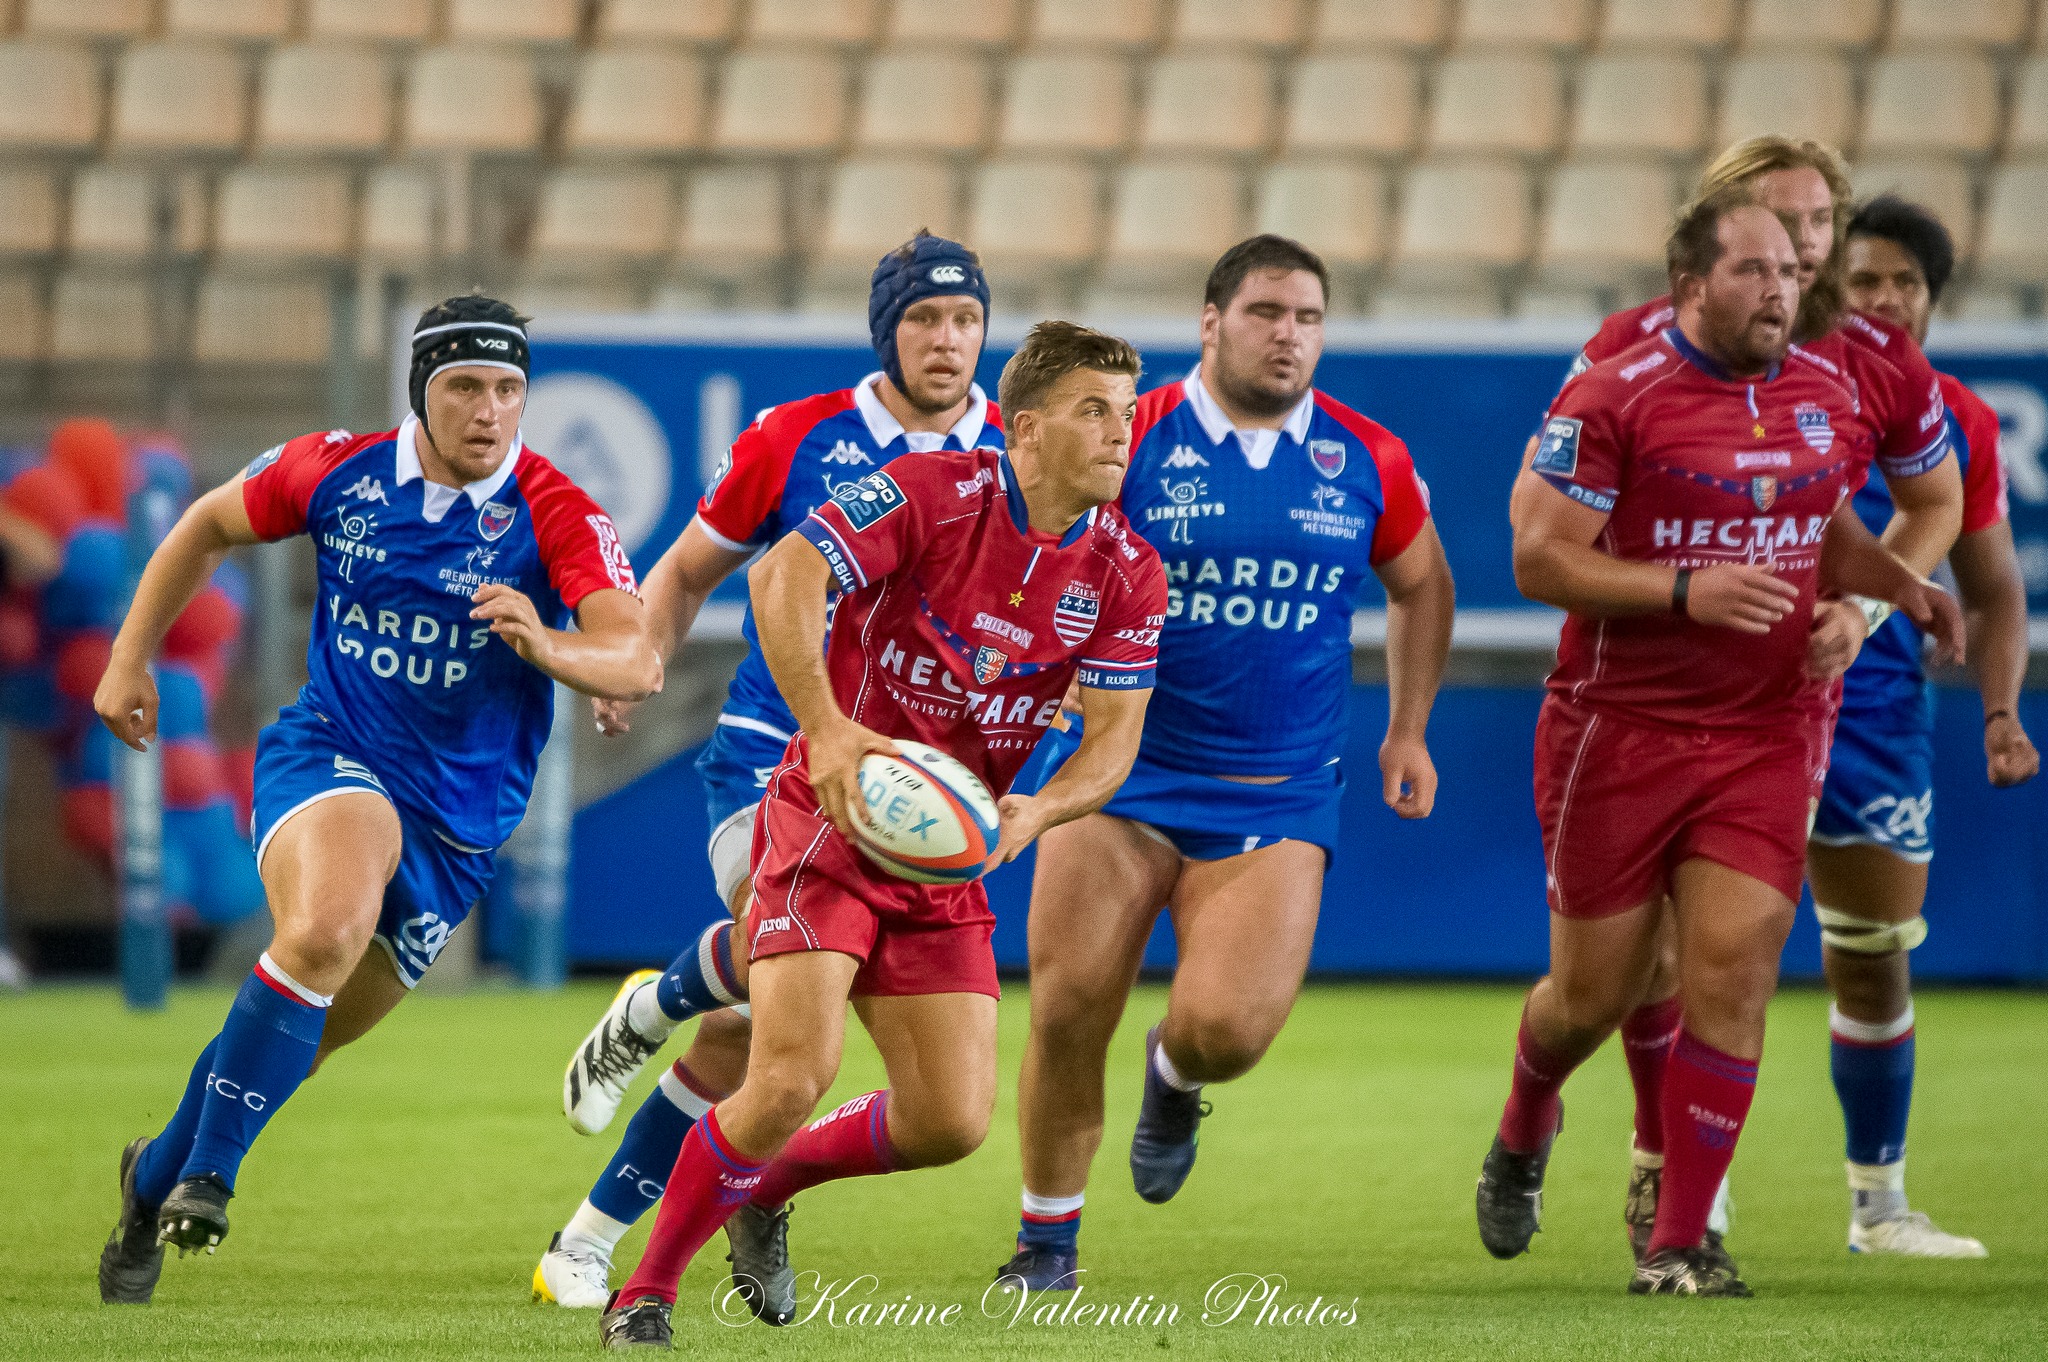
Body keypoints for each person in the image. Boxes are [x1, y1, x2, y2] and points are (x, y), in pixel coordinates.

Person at [597, 322, 1167, 1351]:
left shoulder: (1127, 570)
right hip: (832, 822)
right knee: (786, 1075)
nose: (1118, 432)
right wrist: (824, 732)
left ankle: (763, 1189)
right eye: (1094, 410)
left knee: (949, 1122)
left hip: (945, 859)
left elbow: (1115, 741)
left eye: (1126, 413)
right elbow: (781, 576)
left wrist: (1039, 808)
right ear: (1025, 429)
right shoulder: (926, 488)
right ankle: (645, 1291)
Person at [94, 295, 660, 1306]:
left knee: (289, 1044)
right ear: (420, 390)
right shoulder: (334, 469)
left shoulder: (558, 509)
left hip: (459, 830)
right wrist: (130, 657)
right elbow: (204, 524)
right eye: (464, 387)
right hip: (334, 759)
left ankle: (149, 1179)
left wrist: (552, 646)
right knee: (320, 933)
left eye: (508, 389)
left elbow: (635, 649)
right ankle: (212, 1182)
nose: (489, 410)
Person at [1485, 193, 1964, 1296]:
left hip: (1767, 728)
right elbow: (1538, 560)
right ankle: (1525, 1115)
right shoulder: (1613, 394)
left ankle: (1679, 1243)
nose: (1782, 290)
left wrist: (1896, 587)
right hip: (1619, 728)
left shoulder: (1823, 390)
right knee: (1590, 997)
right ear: (1691, 286)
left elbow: (1818, 524)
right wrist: (1682, 590)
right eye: (1753, 272)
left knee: (1734, 976)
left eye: (1793, 274)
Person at [536, 232, 1003, 1308]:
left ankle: (591, 1222)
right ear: (886, 330)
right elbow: (692, 566)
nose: (947, 339)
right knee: (778, 970)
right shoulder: (795, 438)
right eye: (925, 319)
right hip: (774, 751)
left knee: (754, 1037)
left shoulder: (1008, 459)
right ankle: (617, 1216)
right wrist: (634, 659)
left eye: (966, 319)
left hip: (914, 781)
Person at [994, 236, 1454, 1291]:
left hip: (1275, 791)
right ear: (1208, 323)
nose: (1286, 336)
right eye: (1263, 313)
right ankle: (1044, 1241)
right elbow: (1033, 554)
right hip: (1115, 776)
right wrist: (1046, 673)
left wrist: (1407, 727)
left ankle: (1173, 1076)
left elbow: (1420, 585)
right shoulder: (1132, 435)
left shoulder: (1365, 456)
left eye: (1305, 318)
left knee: (1225, 1033)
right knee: (1067, 1010)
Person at [1806, 195, 2037, 1257]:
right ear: (1823, 289)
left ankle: (1877, 1206)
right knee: (1696, 952)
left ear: (1932, 300)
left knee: (1870, 957)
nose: (1884, 301)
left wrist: (1998, 712)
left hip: (1878, 713)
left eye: (1904, 283)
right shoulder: (1771, 392)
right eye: (1863, 282)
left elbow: (1989, 592)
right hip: (1741, 704)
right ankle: (1685, 1209)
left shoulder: (1956, 421)